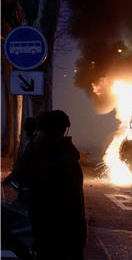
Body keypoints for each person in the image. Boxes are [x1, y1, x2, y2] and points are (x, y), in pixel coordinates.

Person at [28, 110, 87, 260]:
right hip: (58, 239)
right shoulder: (57, 156)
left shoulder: (60, 162)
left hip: (58, 240)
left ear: (49, 133)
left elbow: (65, 209)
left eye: (39, 130)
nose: (35, 134)